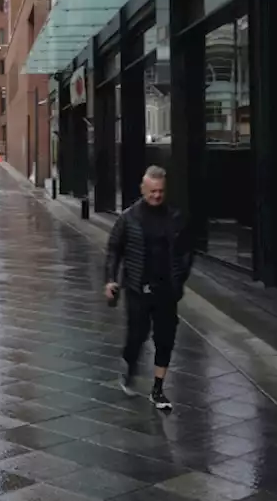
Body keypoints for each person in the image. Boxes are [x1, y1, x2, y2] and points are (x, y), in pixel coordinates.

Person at [103, 165, 192, 411]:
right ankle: (129, 366)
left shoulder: (175, 217)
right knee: (137, 336)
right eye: (152, 191)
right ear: (143, 189)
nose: (156, 196)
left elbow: (186, 252)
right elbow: (114, 249)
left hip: (166, 290)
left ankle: (158, 389)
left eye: (161, 191)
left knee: (165, 339)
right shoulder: (129, 218)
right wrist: (110, 279)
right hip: (137, 288)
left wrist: (180, 278)